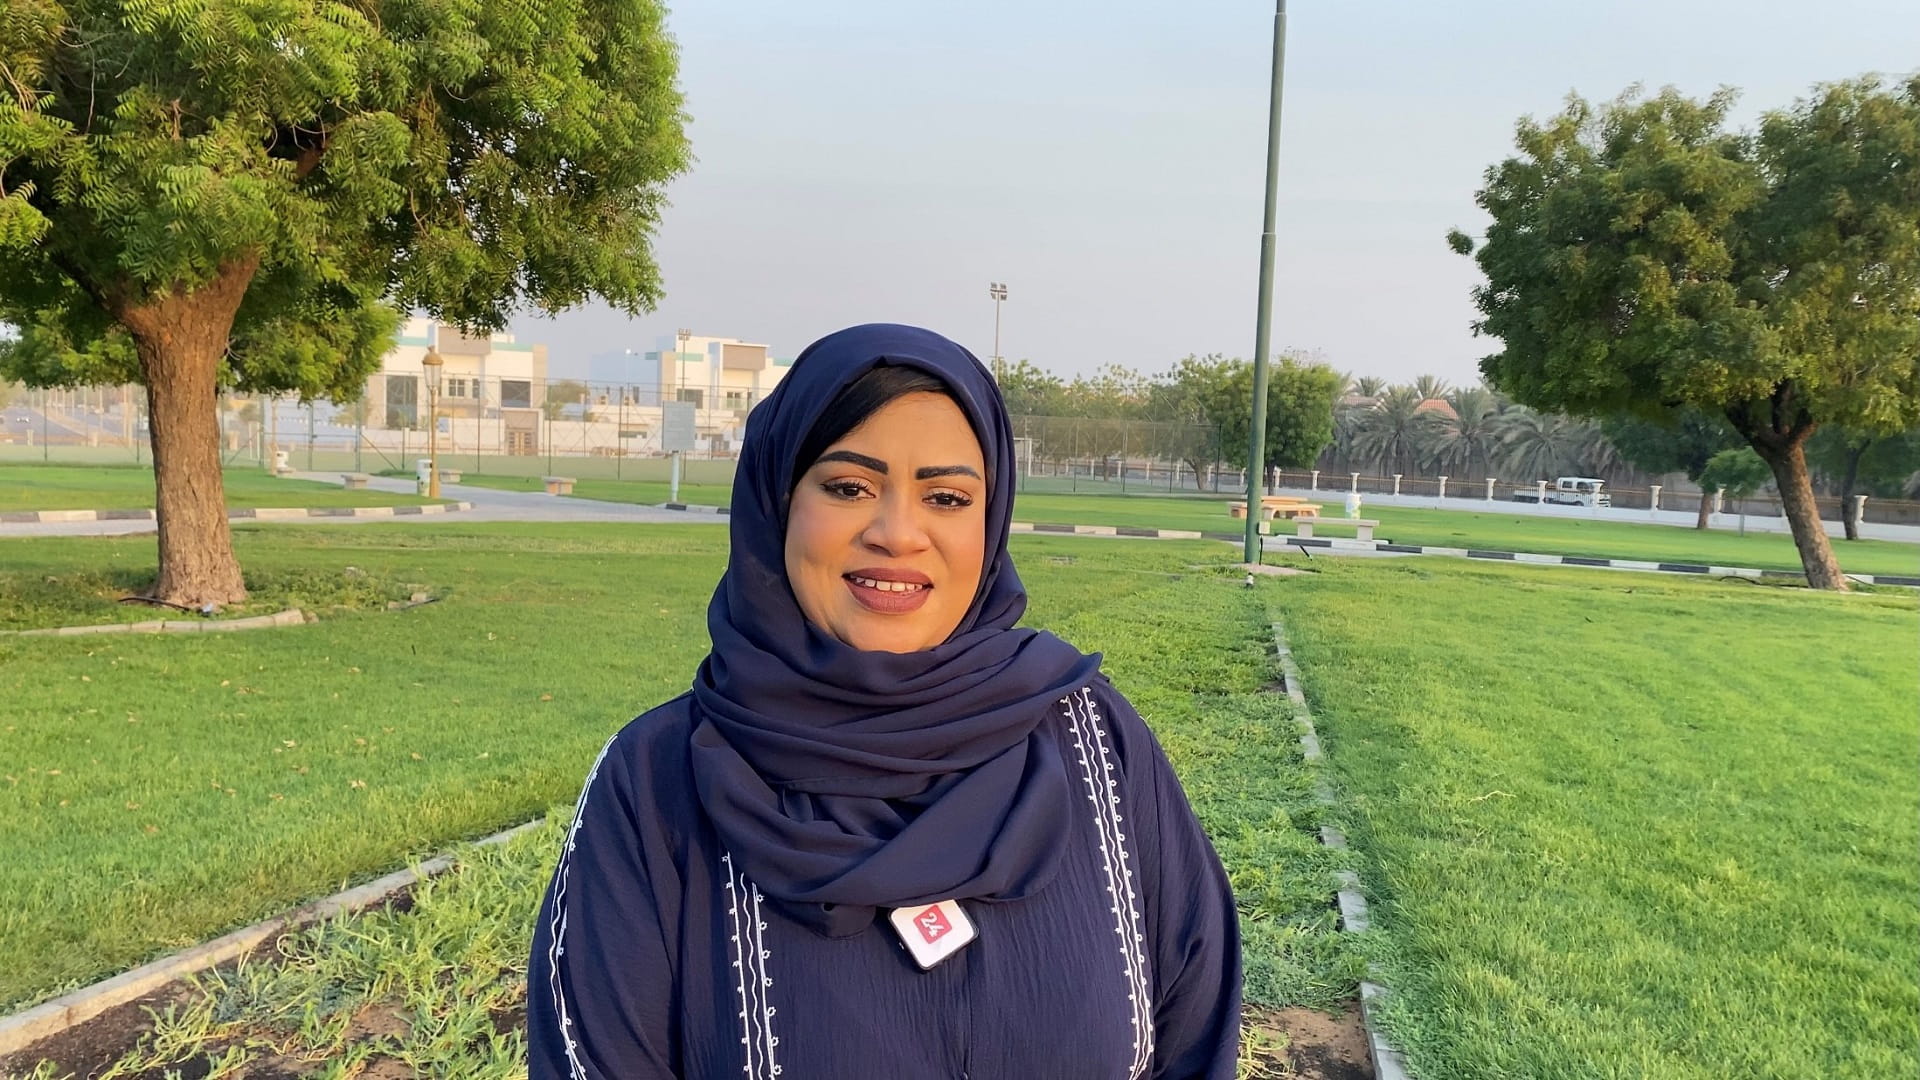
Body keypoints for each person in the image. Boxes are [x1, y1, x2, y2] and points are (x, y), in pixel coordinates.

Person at [528, 324, 1241, 1079]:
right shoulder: (658, 781)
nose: (898, 535)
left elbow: (1196, 1038)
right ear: (778, 501)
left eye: (947, 497)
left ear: (990, 522)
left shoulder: (1094, 743)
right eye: (848, 488)